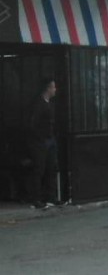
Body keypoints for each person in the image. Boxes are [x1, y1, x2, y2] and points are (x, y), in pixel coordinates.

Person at [26, 77, 59, 209]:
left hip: (49, 139)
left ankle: (51, 197)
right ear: (48, 88)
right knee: (39, 170)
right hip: (41, 141)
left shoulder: (49, 103)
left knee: (51, 168)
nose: (55, 89)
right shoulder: (38, 105)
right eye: (53, 87)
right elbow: (33, 124)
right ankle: (37, 198)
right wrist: (41, 138)